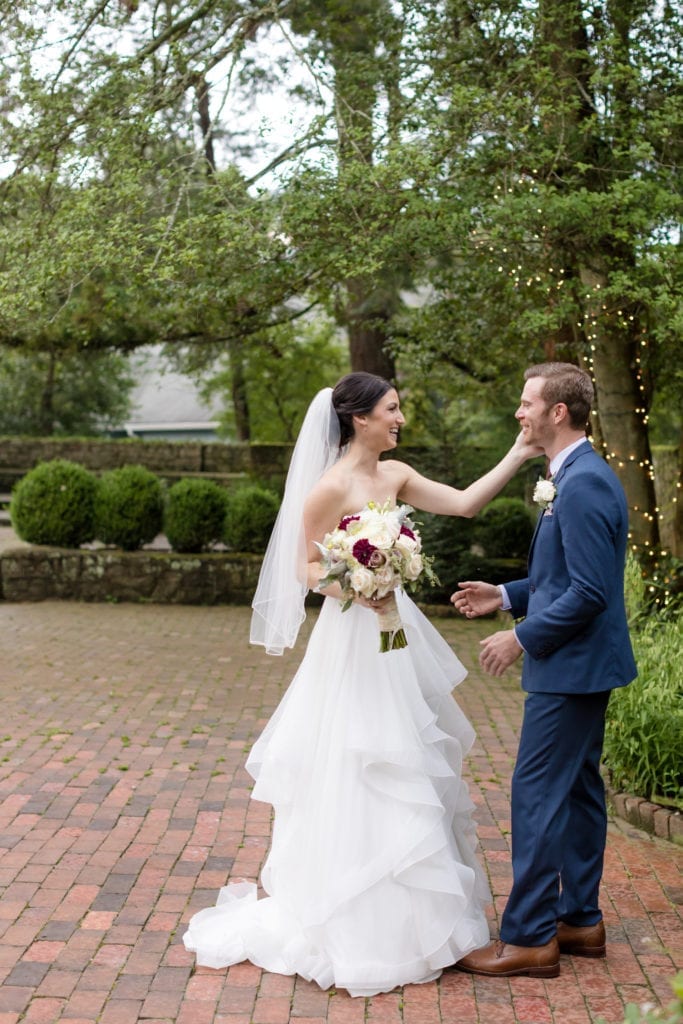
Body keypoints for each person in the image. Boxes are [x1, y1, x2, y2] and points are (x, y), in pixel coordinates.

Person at [183, 371, 539, 997]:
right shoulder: (328, 488)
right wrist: (360, 585)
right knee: (360, 756)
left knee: (411, 753)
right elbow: (306, 567)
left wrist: (519, 453)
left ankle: (423, 922)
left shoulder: (396, 477)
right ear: (358, 418)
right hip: (354, 636)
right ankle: (356, 922)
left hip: (397, 636)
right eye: (392, 410)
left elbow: (463, 503)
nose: (400, 420)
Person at [451, 362, 637, 979]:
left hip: (572, 670)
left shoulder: (582, 484)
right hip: (584, 668)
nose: (519, 413)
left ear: (558, 412)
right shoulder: (575, 476)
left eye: (527, 403)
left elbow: (588, 592)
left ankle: (529, 936)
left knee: (537, 796)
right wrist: (504, 595)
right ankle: (579, 921)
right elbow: (565, 578)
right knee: (580, 792)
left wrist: (520, 638)